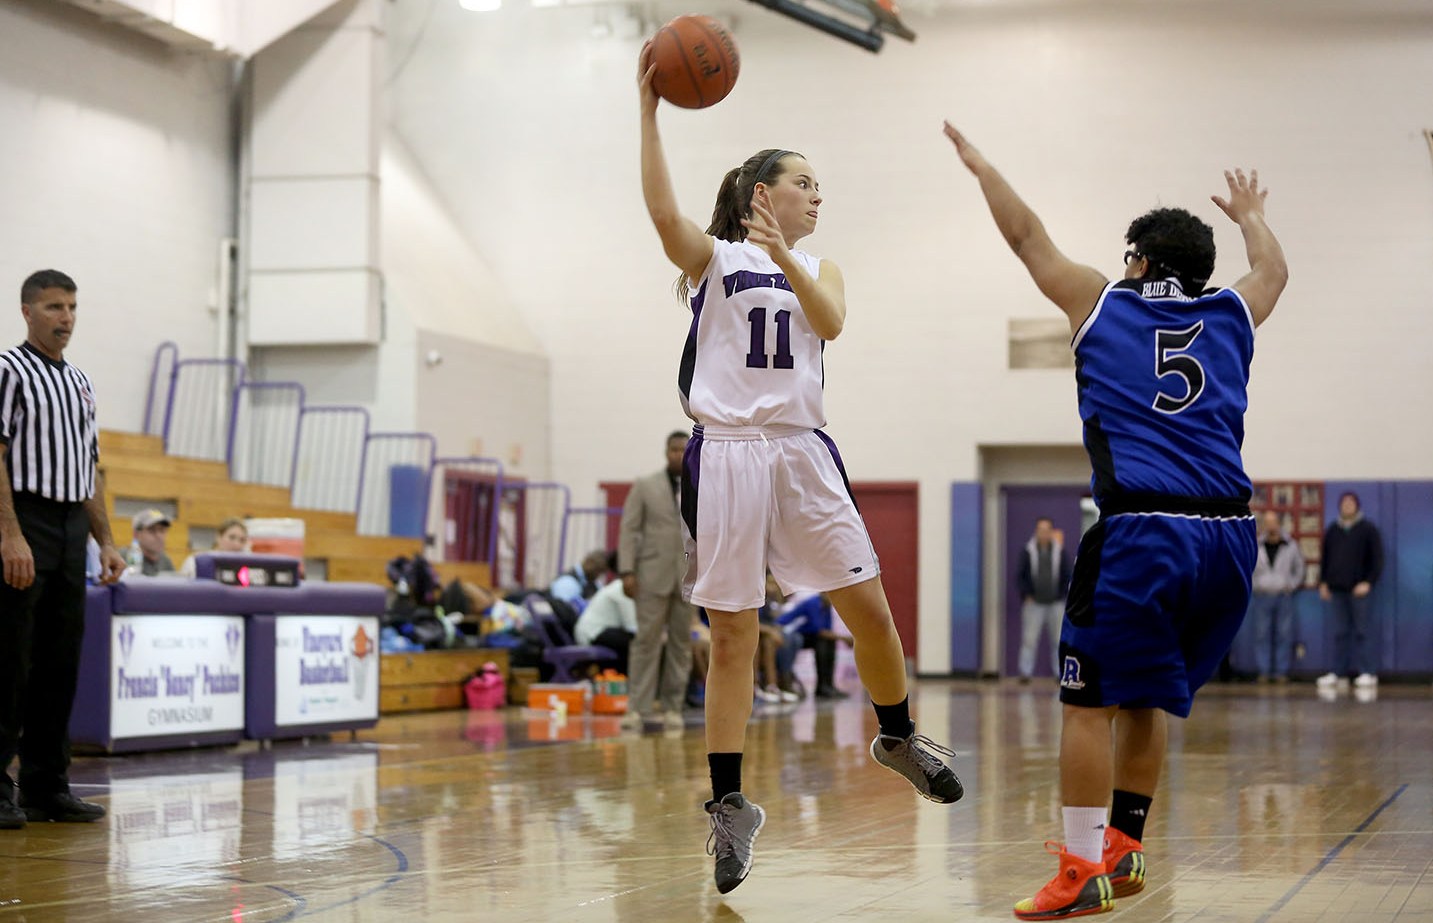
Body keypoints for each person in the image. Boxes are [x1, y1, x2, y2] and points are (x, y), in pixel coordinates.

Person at [638, 44, 963, 895]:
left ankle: (895, 734)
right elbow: (661, 212)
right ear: (762, 192)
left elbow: (831, 323)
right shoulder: (711, 259)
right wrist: (648, 115)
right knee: (734, 638)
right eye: (805, 182)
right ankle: (729, 805)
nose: (819, 194)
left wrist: (784, 255)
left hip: (801, 449)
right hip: (728, 456)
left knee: (874, 613)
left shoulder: (820, 267)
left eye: (820, 185)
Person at [944, 123, 1288, 919]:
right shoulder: (1232, 312)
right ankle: (1124, 848)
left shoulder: (1100, 302)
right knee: (1146, 696)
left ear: (1136, 256)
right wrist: (1250, 216)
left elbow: (1026, 237)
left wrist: (984, 167)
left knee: (1086, 701)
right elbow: (1273, 267)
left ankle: (1077, 866)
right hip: (1229, 537)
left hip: (1143, 531)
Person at [1, 269, 127, 829]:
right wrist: (8, 534)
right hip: (24, 519)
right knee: (10, 662)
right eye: (54, 307)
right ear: (28, 312)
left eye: (72, 307)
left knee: (60, 662)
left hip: (71, 523)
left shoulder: (79, 380)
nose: (66, 318)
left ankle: (46, 785)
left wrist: (106, 540)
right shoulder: (8, 370)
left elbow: (89, 467)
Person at [617, 431, 694, 731]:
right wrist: (627, 571)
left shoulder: (700, 485)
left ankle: (673, 707)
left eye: (682, 449)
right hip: (651, 575)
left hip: (688, 576)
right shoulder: (645, 486)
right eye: (673, 449)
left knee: (681, 644)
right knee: (646, 642)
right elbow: (628, 530)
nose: (677, 454)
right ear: (666, 452)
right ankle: (637, 708)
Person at [1316, 492, 1383, 690]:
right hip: (1337, 589)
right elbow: (1325, 558)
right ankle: (1338, 673)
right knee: (1340, 633)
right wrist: (1323, 582)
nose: (1347, 506)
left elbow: (1377, 559)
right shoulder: (1332, 530)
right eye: (1344, 503)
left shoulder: (1368, 529)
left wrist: (1368, 582)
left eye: (1350, 503)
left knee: (1363, 631)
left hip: (1359, 590)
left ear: (1357, 506)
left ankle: (1368, 672)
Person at [1015, 517, 1073, 682]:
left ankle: (1059, 673)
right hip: (1034, 604)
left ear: (1051, 532)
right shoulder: (1028, 551)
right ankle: (1025, 673)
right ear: (1036, 532)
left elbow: (1066, 575)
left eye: (1047, 530)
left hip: (1055, 603)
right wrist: (1027, 594)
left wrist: (1061, 594)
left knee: (1058, 640)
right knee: (1029, 640)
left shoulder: (1059, 552)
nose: (1044, 533)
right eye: (1041, 530)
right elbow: (1021, 575)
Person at [1250, 511, 1305, 684]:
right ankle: (1264, 672)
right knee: (1261, 634)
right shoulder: (1256, 545)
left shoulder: (1290, 545)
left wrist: (1292, 585)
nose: (1270, 525)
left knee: (1284, 634)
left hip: (1283, 596)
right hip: (1262, 596)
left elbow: (1300, 569)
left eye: (1273, 522)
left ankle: (1281, 672)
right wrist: (1255, 585)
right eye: (1267, 522)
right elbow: (1247, 568)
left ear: (1279, 524)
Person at [776, 592, 852, 699]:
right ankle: (821, 688)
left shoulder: (827, 606)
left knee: (829, 642)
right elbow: (819, 630)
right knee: (822, 642)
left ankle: (828, 685)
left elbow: (827, 630)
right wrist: (844, 639)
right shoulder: (813, 603)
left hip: (811, 636)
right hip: (797, 636)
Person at [572, 578, 638, 673]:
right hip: (593, 633)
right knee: (636, 644)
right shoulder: (622, 590)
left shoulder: (619, 586)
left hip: (598, 631)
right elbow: (632, 627)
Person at [179, 516, 249, 579]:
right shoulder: (195, 562)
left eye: (242, 540)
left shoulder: (245, 568)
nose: (236, 544)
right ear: (219, 537)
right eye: (232, 537)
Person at [125, 509, 175, 576]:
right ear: (136, 534)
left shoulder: (166, 561)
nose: (158, 536)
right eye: (152, 530)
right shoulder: (122, 559)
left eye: (162, 530)